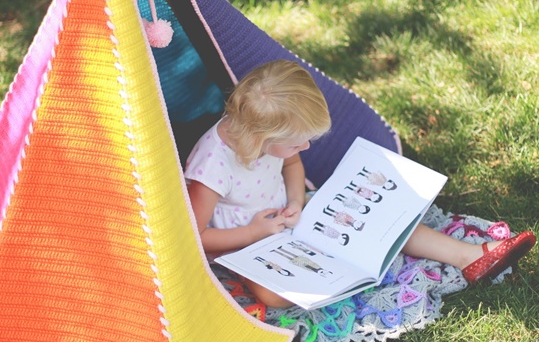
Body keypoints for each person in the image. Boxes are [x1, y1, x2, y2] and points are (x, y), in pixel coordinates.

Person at [185, 60, 536, 308]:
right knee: (272, 295)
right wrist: (253, 234)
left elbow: (291, 162)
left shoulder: (277, 140)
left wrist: (295, 200)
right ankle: (346, 275)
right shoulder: (212, 165)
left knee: (382, 222)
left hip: (289, 217)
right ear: (262, 136)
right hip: (247, 245)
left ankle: (470, 256)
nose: (304, 148)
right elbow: (194, 236)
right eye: (298, 142)